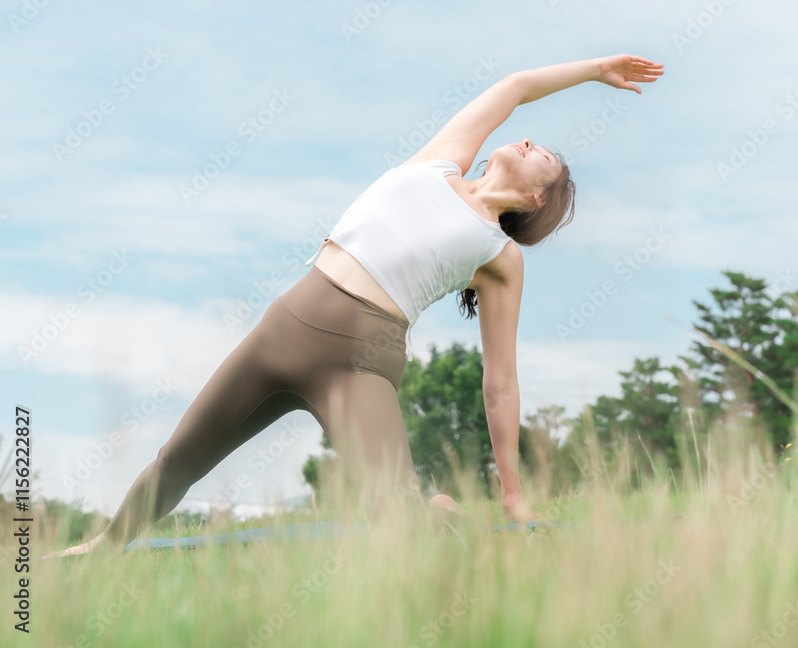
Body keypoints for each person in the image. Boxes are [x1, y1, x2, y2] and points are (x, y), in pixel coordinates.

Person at [44, 53, 663, 557]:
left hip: (359, 362)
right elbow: (516, 86)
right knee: (179, 459)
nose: (528, 143)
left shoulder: (500, 256)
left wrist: (512, 493)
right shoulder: (438, 163)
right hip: (281, 328)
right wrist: (593, 69)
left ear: (535, 197)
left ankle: (433, 513)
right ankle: (101, 549)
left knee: (396, 529)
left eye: (543, 157)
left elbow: (499, 381)